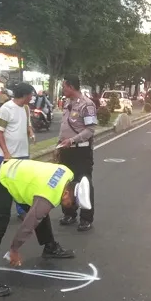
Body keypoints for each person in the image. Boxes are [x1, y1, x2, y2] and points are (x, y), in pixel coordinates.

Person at [0, 158, 91, 296]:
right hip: (2, 179)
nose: (72, 207)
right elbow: (28, 225)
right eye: (73, 204)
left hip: (20, 175)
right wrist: (14, 249)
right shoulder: (48, 195)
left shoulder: (67, 173)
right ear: (66, 193)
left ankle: (50, 247)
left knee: (41, 211)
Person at [57, 74, 97, 232]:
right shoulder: (67, 103)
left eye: (64, 86)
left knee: (84, 184)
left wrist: (72, 140)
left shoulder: (87, 105)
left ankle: (86, 218)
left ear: (71, 87)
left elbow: (90, 130)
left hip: (81, 151)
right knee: (66, 184)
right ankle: (69, 213)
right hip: (65, 150)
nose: (63, 89)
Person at [0, 82, 36, 220]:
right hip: (7, 155)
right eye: (31, 95)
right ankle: (0, 212)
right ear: (24, 95)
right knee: (6, 185)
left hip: (23, 153)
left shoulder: (26, 108)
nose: (32, 98)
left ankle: (22, 211)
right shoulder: (6, 109)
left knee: (22, 184)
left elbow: (27, 124)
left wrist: (30, 131)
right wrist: (6, 152)